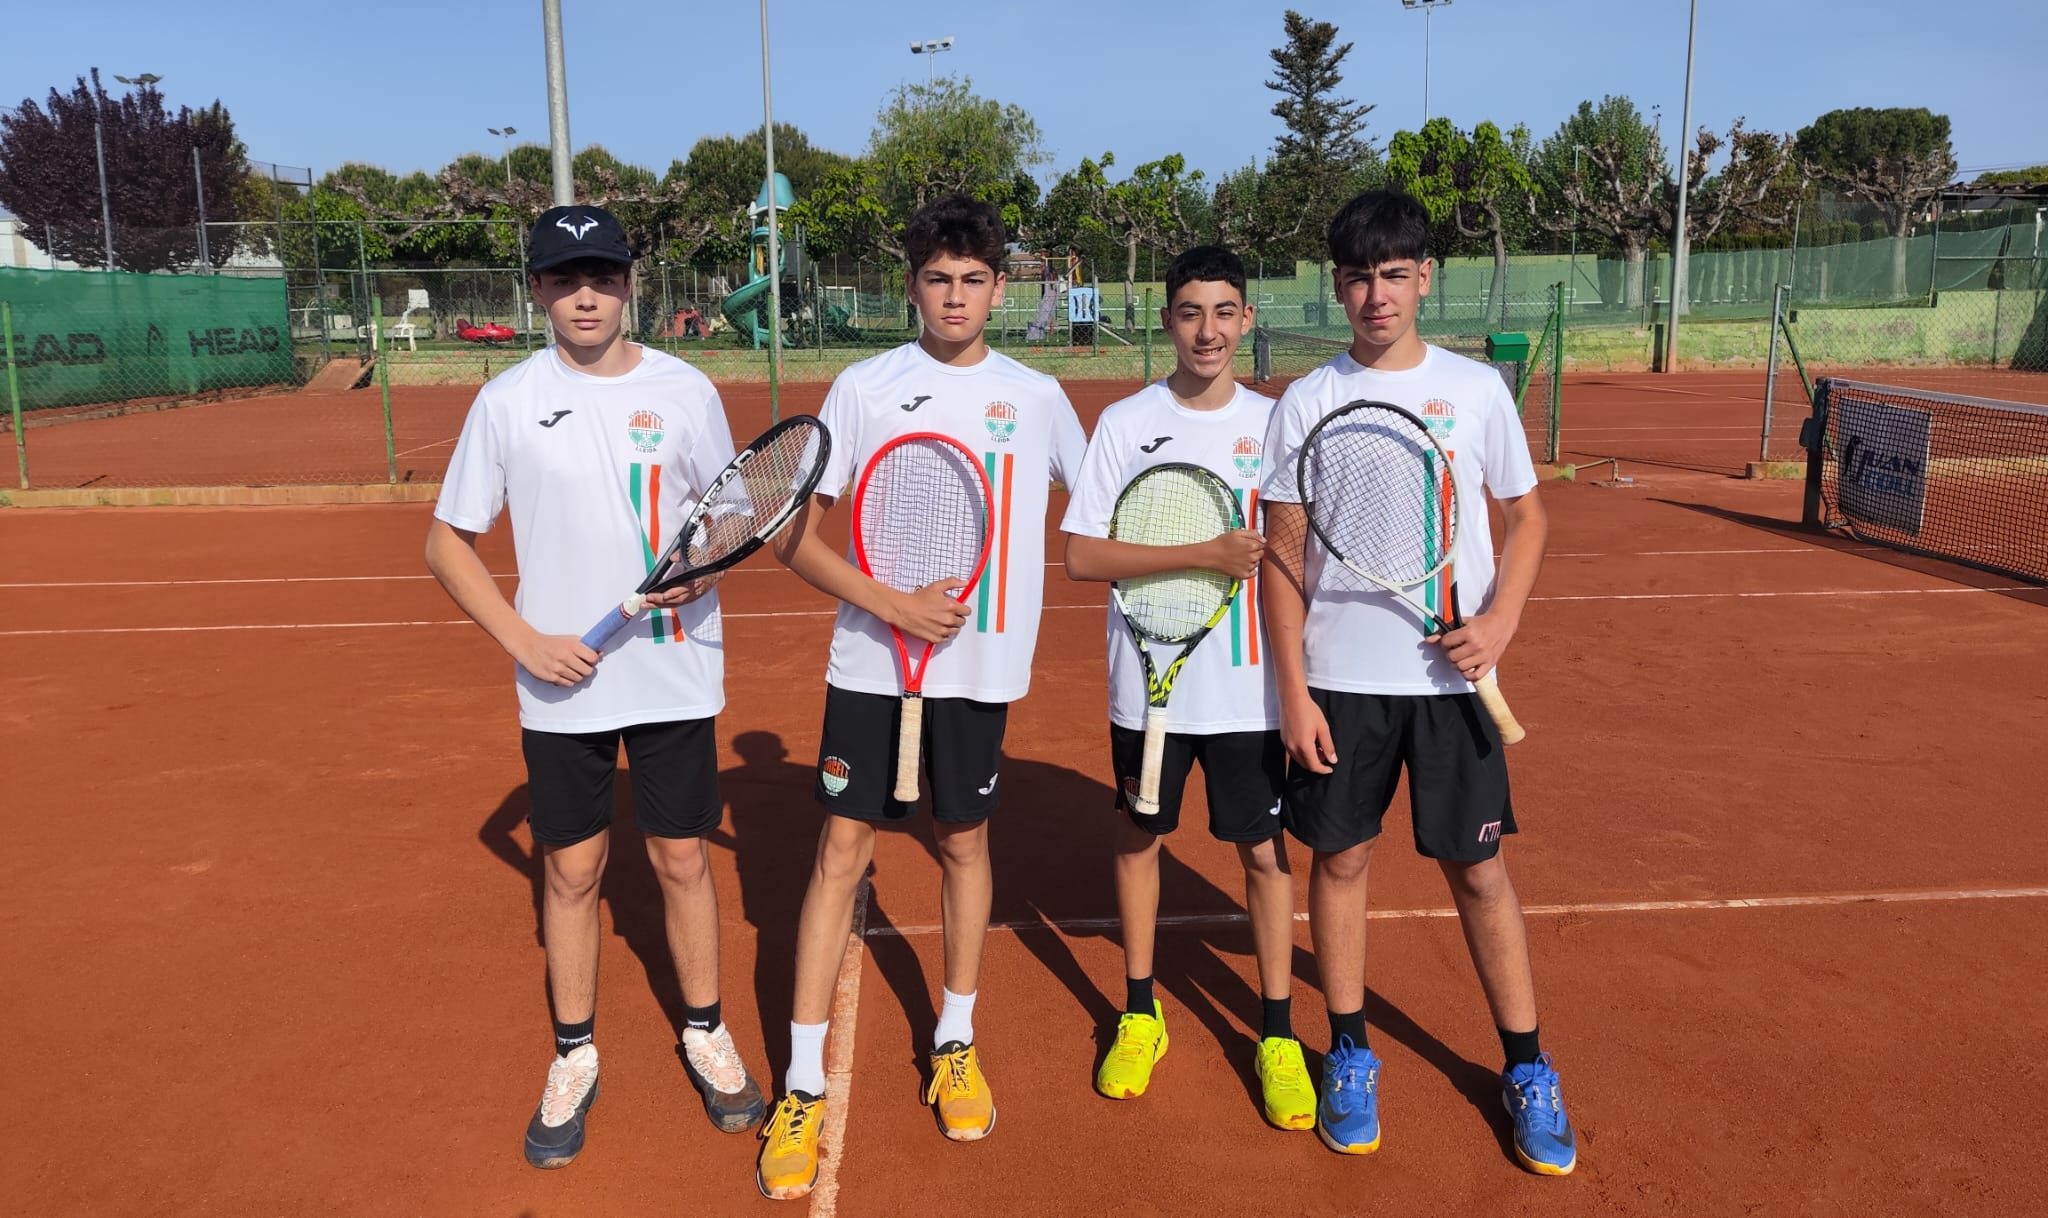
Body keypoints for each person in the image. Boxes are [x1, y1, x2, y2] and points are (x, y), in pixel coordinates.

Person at [754, 194, 1087, 1200]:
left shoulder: (1035, 398)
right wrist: (891, 604)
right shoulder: (864, 388)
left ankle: (952, 1041)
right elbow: (791, 534)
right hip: (870, 664)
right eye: (936, 279)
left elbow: (1099, 511)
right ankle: (802, 1086)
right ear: (911, 287)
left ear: (999, 285)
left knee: (962, 845)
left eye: (972, 279)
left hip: (978, 673)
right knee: (839, 855)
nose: (954, 297)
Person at [426, 204, 766, 1171]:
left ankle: (704, 1028)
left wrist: (709, 565)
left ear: (630, 284)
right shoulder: (504, 402)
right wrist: (523, 640)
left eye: (604, 276)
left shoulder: (688, 389)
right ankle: (574, 1051)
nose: (587, 295)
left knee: (682, 863)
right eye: (567, 278)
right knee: (572, 872)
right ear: (537, 289)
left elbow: (735, 514)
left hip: (673, 674)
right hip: (562, 685)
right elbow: (447, 541)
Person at [1257, 190, 1576, 1175]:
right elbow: (1280, 555)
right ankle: (1348, 1049)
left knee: (1477, 872)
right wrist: (1295, 691)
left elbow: (1526, 518)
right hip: (1342, 686)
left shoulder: (1476, 392)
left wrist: (1499, 623)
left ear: (1422, 278)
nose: (1375, 295)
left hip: (1450, 683)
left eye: (1393, 274)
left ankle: (1525, 1066)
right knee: (1340, 864)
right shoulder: (1303, 402)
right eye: (1357, 276)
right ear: (1335, 286)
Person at [1058, 244, 1314, 1130]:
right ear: (1168, 321)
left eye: (1225, 311)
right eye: (1191, 312)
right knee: (1139, 842)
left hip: (1252, 695)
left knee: (1264, 857)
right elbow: (1083, 554)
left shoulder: (1279, 424)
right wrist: (1201, 554)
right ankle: (1140, 1012)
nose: (1208, 330)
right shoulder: (1126, 424)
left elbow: (1296, 553)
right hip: (1150, 691)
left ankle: (1277, 1032)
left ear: (1246, 320)